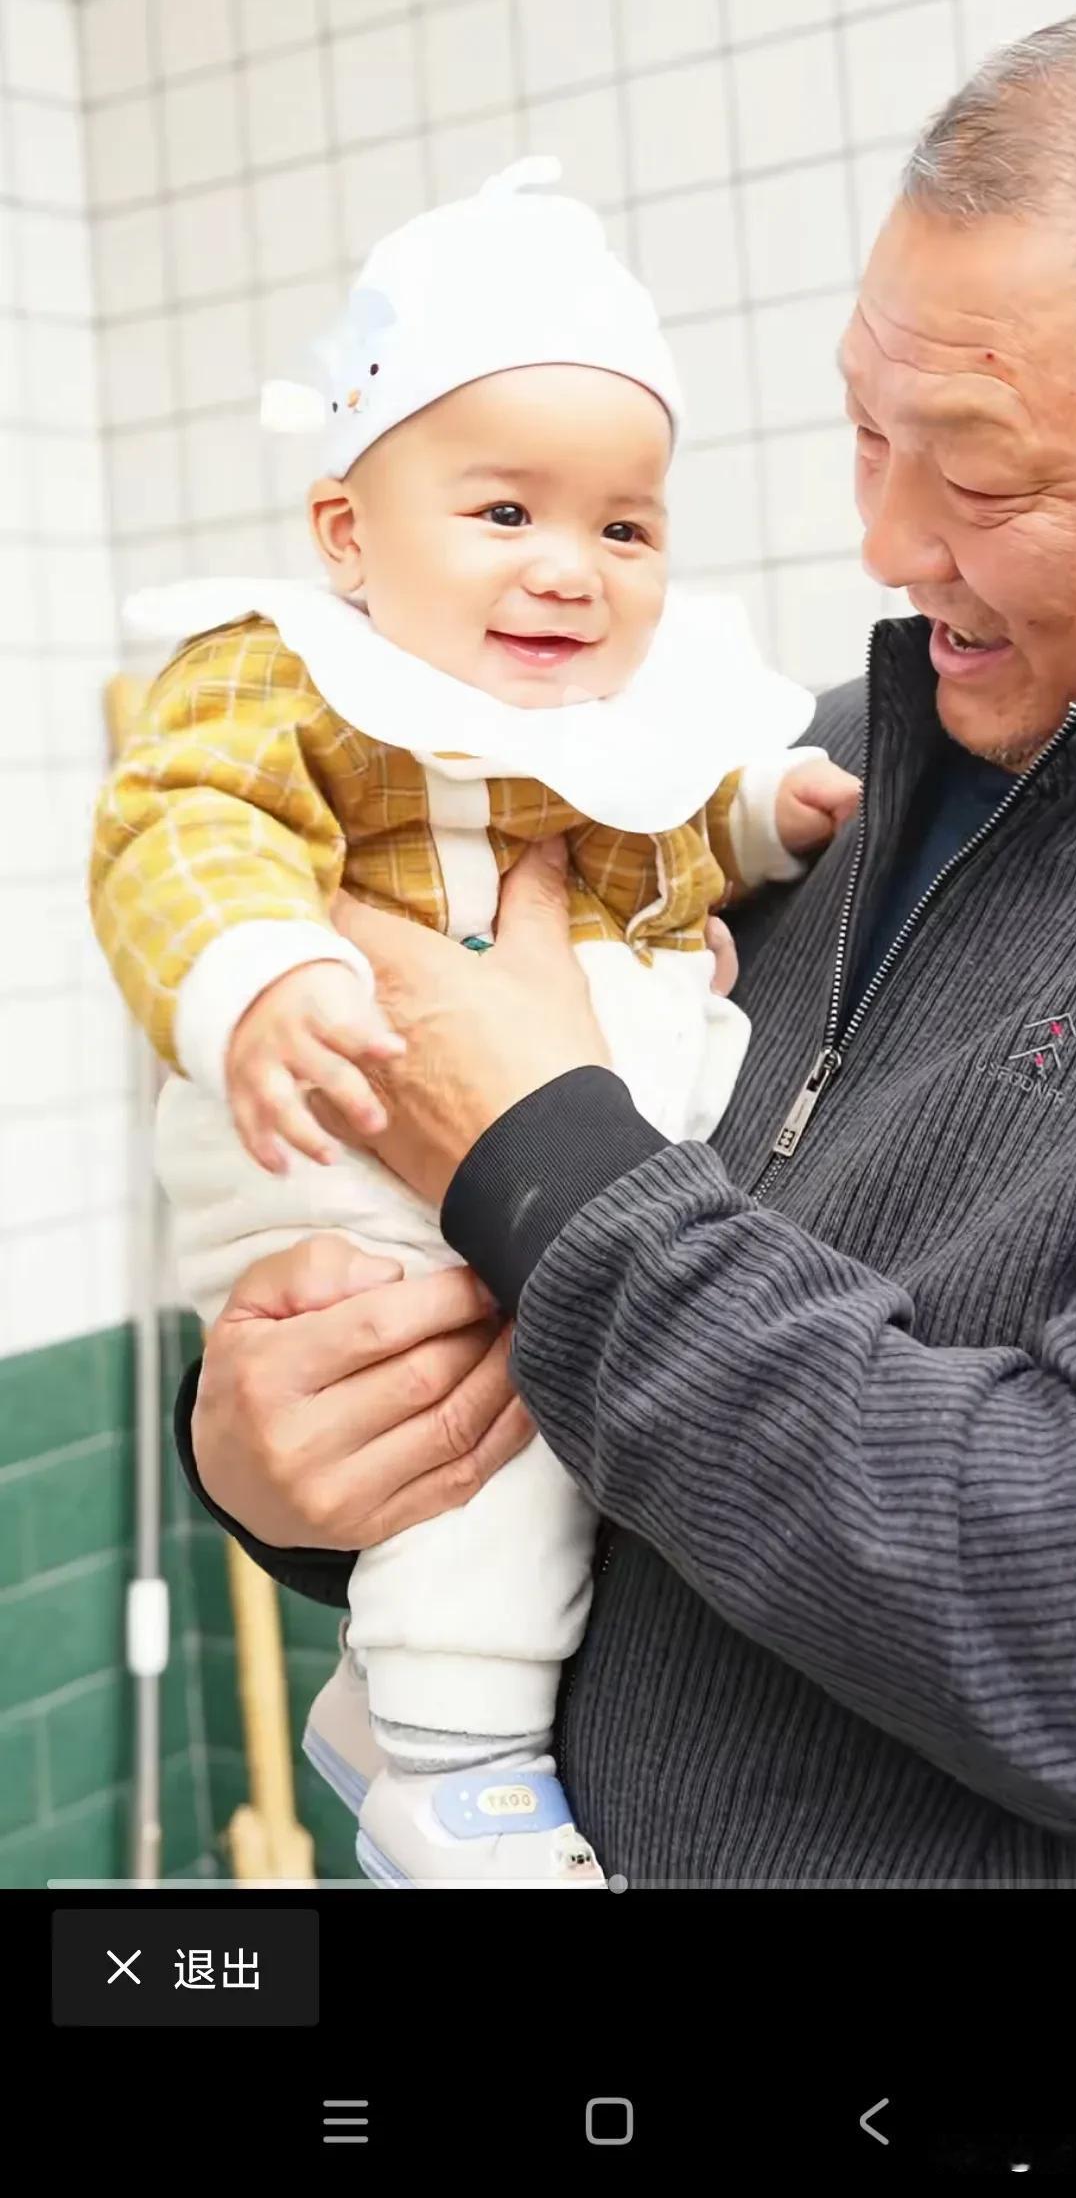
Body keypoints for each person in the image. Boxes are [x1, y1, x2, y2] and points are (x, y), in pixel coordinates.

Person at [178, 5, 1076, 1888]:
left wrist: (534, 1152)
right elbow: (559, 1372)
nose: (889, 541)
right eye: (863, 431)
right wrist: (283, 1474)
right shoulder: (777, 782)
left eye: (982, 481)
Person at [91, 156, 857, 1887]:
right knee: (500, 1416)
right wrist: (262, 974)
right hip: (325, 1123)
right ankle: (452, 1755)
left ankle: (403, 1714)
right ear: (348, 532)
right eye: (505, 514)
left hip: (495, 1139)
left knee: (558, 1387)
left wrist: (756, 822)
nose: (570, 572)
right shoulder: (286, 671)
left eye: (625, 527)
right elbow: (178, 826)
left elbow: (654, 826)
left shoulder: (594, 715)